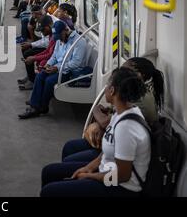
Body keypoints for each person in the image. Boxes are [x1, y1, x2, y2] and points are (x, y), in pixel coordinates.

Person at [40, 67, 150, 197]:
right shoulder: (121, 112)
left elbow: (121, 176)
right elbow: (105, 152)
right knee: (49, 172)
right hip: (107, 171)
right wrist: (88, 168)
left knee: (49, 192)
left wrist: (90, 176)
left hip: (120, 188)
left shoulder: (126, 128)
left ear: (112, 90)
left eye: (108, 83)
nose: (105, 86)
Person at [61, 57, 164, 163]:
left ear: (139, 75)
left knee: (67, 159)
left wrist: (96, 110)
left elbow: (106, 123)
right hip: (115, 141)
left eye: (125, 71)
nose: (121, 74)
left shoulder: (141, 100)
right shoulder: (140, 92)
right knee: (70, 146)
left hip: (120, 152)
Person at [19, 21, 87, 119]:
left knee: (49, 81)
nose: (59, 39)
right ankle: (35, 106)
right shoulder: (59, 40)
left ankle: (43, 106)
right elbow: (54, 56)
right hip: (58, 67)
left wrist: (57, 68)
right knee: (40, 75)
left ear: (66, 30)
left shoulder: (79, 42)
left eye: (60, 36)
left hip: (70, 71)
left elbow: (76, 63)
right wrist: (48, 64)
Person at [18, 15, 54, 88]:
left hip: (52, 54)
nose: (42, 32)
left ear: (48, 26)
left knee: (28, 54)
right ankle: (30, 75)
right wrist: (34, 56)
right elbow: (47, 46)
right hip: (48, 49)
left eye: (42, 30)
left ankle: (32, 80)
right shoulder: (49, 31)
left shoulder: (55, 35)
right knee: (25, 50)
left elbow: (49, 50)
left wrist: (34, 57)